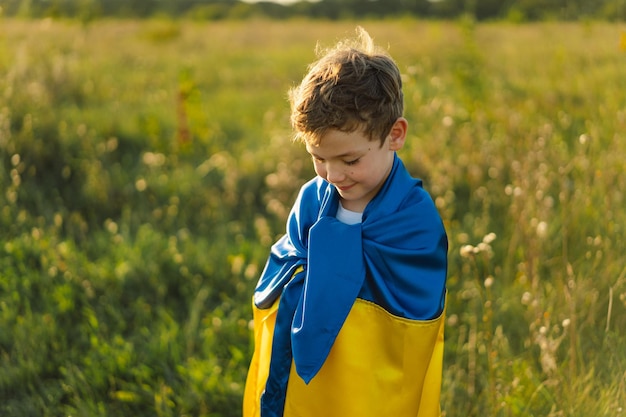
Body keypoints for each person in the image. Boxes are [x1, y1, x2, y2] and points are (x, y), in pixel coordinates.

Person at [243, 27, 448, 417]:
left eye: (350, 160)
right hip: (312, 386)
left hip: (371, 382)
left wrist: (331, 268)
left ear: (395, 135)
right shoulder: (312, 198)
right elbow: (285, 270)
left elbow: (413, 308)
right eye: (318, 158)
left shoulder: (414, 220)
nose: (333, 175)